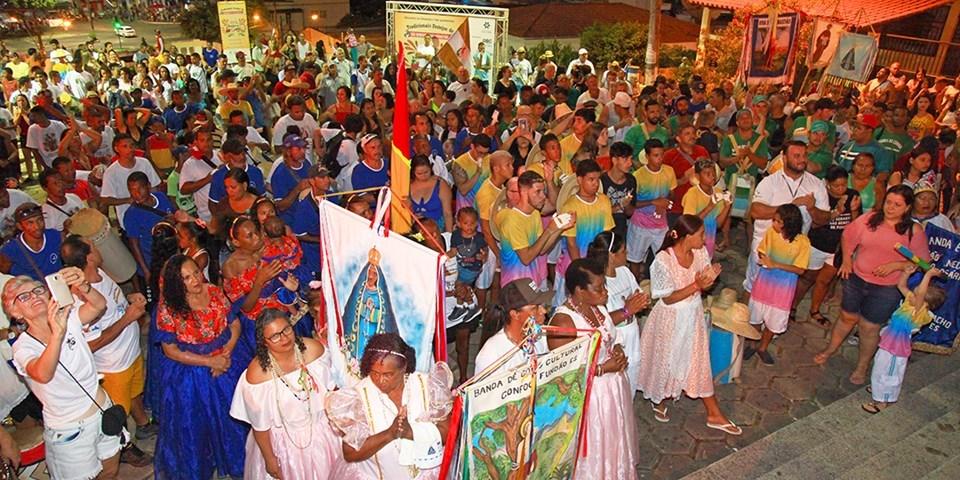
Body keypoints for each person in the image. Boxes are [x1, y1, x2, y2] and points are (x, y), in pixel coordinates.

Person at [5, 268, 118, 479]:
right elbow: (43, 374)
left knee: (110, 471)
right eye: (24, 297)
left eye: (38, 290)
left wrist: (83, 286)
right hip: (71, 430)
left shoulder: (69, 316)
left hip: (102, 408)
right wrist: (57, 334)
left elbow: (99, 305)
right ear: (15, 313)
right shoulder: (23, 348)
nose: (35, 297)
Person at [815, 185, 930, 385]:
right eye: (888, 202)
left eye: (897, 205)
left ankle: (862, 366)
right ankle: (829, 350)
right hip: (857, 278)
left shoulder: (913, 230)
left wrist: (897, 265)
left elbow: (922, 263)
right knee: (846, 317)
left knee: (869, 327)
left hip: (886, 288)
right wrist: (847, 260)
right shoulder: (870, 219)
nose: (891, 208)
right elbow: (848, 236)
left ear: (907, 207)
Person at [635, 215, 740, 434]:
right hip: (669, 319)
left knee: (698, 360)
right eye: (701, 234)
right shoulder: (663, 260)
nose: (705, 238)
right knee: (667, 360)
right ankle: (660, 397)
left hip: (693, 315)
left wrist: (707, 282)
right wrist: (697, 285)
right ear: (686, 236)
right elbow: (667, 298)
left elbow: (703, 286)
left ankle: (714, 413)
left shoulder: (700, 253)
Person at [60, 236, 154, 465]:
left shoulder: (101, 274)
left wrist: (129, 299)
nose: (99, 247)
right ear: (89, 256)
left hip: (129, 354)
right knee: (116, 412)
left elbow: (115, 303)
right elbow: (90, 344)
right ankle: (123, 447)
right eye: (93, 245)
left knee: (135, 394)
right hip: (113, 366)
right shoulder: (80, 298)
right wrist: (128, 318)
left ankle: (143, 425)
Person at [153, 254, 249, 479]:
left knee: (233, 420)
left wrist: (225, 353)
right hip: (191, 373)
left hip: (228, 360)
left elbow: (234, 323)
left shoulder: (214, 291)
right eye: (186, 278)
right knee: (195, 426)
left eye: (195, 272)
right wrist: (209, 361)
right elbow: (170, 350)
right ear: (177, 283)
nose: (195, 279)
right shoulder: (169, 307)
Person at [547, 258, 639, 478]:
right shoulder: (563, 323)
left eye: (604, 286)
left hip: (612, 391)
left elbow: (606, 335)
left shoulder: (597, 308)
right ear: (579, 290)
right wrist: (602, 369)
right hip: (590, 398)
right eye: (598, 288)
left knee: (614, 440)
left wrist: (616, 349)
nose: (605, 292)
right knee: (596, 446)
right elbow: (562, 376)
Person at [230, 309, 343, 479]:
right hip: (284, 444)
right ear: (264, 342)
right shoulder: (257, 374)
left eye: (286, 330)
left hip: (323, 433)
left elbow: (332, 392)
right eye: (275, 336)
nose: (284, 338)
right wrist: (270, 459)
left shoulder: (314, 350)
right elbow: (260, 427)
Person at [326, 333, 454, 479]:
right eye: (374, 373)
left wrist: (411, 432)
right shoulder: (358, 398)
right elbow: (350, 453)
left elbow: (447, 433)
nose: (380, 380)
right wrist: (390, 434)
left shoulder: (427, 386)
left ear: (404, 367)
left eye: (388, 374)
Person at [862, 266, 945, 413]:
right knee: (880, 368)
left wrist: (929, 275)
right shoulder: (910, 303)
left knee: (890, 375)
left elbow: (920, 295)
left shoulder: (920, 313)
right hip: (888, 344)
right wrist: (906, 274)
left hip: (896, 350)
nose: (913, 294)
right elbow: (901, 286)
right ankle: (878, 388)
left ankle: (882, 401)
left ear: (925, 303)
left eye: (917, 293)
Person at [793, 166, 861, 329]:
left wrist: (853, 211)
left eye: (843, 185)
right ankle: (792, 307)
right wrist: (835, 212)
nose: (840, 189)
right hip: (817, 244)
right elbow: (815, 223)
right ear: (827, 184)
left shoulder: (852, 196)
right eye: (836, 186)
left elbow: (856, 226)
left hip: (838, 248)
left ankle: (815, 311)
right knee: (808, 278)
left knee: (824, 281)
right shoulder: (821, 196)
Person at [744, 205, 810, 365]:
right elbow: (761, 250)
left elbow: (800, 269)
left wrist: (775, 264)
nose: (773, 223)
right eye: (774, 219)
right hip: (763, 284)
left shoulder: (802, 242)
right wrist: (763, 257)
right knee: (755, 317)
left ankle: (763, 347)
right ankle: (753, 344)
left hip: (783, 289)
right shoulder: (771, 233)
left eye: (777, 221)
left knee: (774, 322)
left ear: (788, 223)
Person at [588, 231, 649, 394]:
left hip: (632, 334)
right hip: (616, 338)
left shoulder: (625, 272)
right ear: (611, 255)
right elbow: (600, 320)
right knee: (617, 385)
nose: (627, 254)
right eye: (623, 251)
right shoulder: (598, 283)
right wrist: (627, 310)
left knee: (632, 375)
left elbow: (637, 294)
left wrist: (640, 301)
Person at [555, 159, 615, 306]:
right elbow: (571, 243)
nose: (595, 183)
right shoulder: (570, 206)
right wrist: (580, 270)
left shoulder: (604, 201)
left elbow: (606, 235)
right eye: (591, 179)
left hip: (597, 264)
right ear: (579, 179)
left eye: (597, 179)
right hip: (574, 263)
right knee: (567, 304)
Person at [474, 277, 551, 375]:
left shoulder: (540, 335)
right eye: (535, 308)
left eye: (542, 305)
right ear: (515, 314)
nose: (543, 311)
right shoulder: (491, 355)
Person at [628, 139, 676, 277]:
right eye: (655, 155)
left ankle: (661, 287)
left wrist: (666, 203)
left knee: (664, 258)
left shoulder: (669, 171)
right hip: (640, 225)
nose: (659, 159)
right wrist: (654, 202)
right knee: (635, 260)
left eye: (661, 155)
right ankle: (635, 287)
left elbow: (672, 193)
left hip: (661, 224)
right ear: (647, 156)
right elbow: (633, 204)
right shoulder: (638, 176)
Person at [0, 203, 62, 280]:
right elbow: (3, 275)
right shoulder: (10, 250)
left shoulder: (55, 236)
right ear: (20, 226)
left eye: (40, 220)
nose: (37, 226)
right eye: (30, 223)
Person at [682, 160, 730, 258]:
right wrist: (709, 207)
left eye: (713, 173)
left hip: (709, 243)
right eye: (707, 174)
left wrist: (727, 206)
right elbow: (688, 224)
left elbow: (718, 224)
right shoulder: (692, 194)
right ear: (697, 176)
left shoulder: (718, 192)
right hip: (693, 245)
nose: (712, 176)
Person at [601, 141, 637, 238]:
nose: (630, 163)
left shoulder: (631, 180)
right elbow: (598, 213)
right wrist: (620, 205)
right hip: (603, 231)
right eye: (625, 159)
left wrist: (627, 204)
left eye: (631, 159)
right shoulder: (601, 181)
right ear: (614, 160)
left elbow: (630, 213)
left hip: (621, 229)